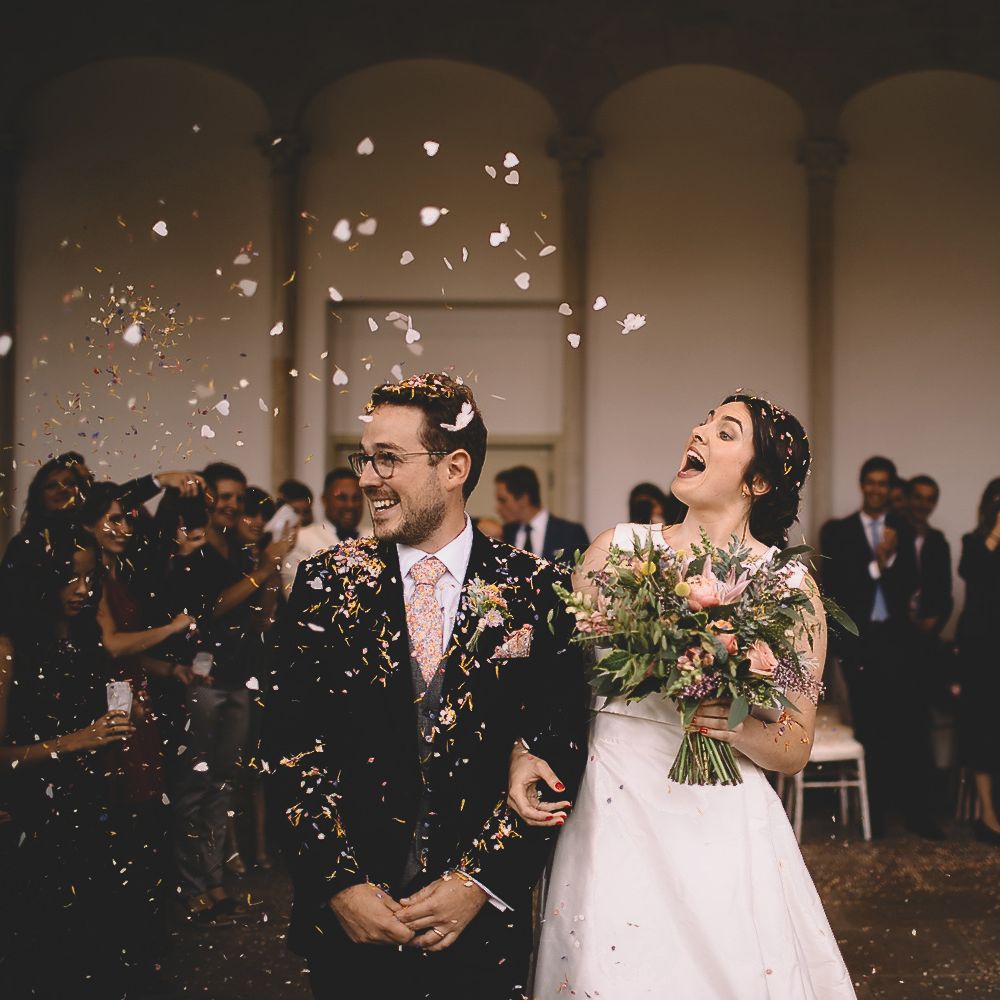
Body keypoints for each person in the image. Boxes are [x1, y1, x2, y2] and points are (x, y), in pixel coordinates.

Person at [509, 394, 856, 999]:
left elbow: (795, 745)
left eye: (726, 432)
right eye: (703, 422)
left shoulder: (790, 588)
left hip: (721, 817)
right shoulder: (613, 551)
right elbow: (549, 682)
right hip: (611, 811)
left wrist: (734, 725)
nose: (698, 431)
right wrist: (520, 749)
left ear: (761, 480)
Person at [266, 372, 587, 1000]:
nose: (365, 478)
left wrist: (480, 881)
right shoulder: (325, 583)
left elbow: (561, 744)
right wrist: (339, 884)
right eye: (364, 458)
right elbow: (287, 744)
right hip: (352, 926)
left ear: (454, 467)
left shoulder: (535, 588)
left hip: (480, 931)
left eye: (388, 458)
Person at [0, 527, 142, 996]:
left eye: (89, 579)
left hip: (88, 806)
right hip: (31, 816)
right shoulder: (9, 649)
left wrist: (121, 715)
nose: (83, 591)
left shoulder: (83, 640)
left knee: (94, 939)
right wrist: (77, 740)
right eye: (70, 579)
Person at [167, 463, 294, 924]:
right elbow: (213, 608)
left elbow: (260, 618)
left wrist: (269, 568)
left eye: (239, 499)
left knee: (222, 787)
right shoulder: (194, 546)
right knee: (193, 786)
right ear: (206, 498)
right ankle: (190, 883)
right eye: (224, 497)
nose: (233, 506)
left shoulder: (241, 551)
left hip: (240, 677)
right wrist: (264, 567)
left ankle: (214, 876)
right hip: (202, 681)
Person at [821, 456, 940, 838]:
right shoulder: (838, 532)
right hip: (862, 645)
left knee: (910, 728)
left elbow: (909, 584)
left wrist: (892, 562)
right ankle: (878, 818)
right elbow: (839, 586)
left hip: (901, 643)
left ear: (890, 489)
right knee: (872, 729)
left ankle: (918, 815)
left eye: (882, 483)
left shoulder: (902, 530)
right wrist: (879, 563)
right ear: (861, 485)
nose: (875, 489)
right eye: (869, 482)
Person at [956, 477, 1000, 843]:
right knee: (983, 731)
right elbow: (971, 573)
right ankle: (986, 814)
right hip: (982, 654)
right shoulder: (975, 543)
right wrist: (996, 533)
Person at [280, 467, 364, 594]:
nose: (350, 505)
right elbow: (295, 597)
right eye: (342, 498)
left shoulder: (378, 538)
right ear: (325, 500)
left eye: (356, 498)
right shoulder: (301, 538)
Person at [494, 465, 589, 565]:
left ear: (523, 499)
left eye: (503, 500)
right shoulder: (506, 533)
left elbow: (586, 573)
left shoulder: (571, 533)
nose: (498, 508)